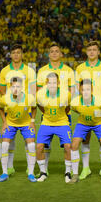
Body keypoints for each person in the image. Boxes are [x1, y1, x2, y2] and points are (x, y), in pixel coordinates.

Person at [74, 41, 101, 181]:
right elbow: (76, 89)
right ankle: (86, 168)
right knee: (85, 139)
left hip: (100, 109)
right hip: (85, 108)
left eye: (94, 50)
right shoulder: (79, 68)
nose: (92, 52)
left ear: (98, 52)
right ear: (86, 52)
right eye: (89, 49)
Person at [36, 43, 75, 175]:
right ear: (48, 54)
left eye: (56, 51)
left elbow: (71, 93)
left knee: (67, 145)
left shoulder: (68, 71)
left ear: (61, 54)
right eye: (51, 51)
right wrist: (46, 110)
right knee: (45, 144)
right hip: (47, 114)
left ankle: (69, 172)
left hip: (64, 115)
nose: (54, 53)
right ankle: (44, 169)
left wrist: (65, 110)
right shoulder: (42, 71)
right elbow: (38, 94)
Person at [0, 44, 36, 176]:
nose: (16, 55)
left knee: (29, 141)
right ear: (10, 55)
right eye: (13, 52)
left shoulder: (29, 71)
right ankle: (9, 167)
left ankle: (29, 168)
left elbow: (32, 91)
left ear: (22, 54)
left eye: (18, 52)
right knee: (9, 139)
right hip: (11, 108)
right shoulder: (4, 71)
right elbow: (2, 90)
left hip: (26, 108)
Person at [70, 79, 101, 185]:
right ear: (79, 90)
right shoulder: (74, 102)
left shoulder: (100, 101)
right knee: (74, 145)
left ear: (92, 89)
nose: (85, 92)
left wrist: (96, 115)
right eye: (83, 89)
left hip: (99, 123)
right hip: (83, 123)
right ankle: (75, 175)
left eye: (88, 89)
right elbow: (75, 110)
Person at [35, 72, 73, 183]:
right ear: (46, 83)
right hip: (46, 122)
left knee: (67, 146)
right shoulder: (40, 94)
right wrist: (47, 114)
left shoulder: (66, 94)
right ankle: (43, 172)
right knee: (39, 147)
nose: (52, 84)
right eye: (50, 82)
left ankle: (68, 172)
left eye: (54, 82)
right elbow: (39, 105)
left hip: (62, 122)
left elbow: (68, 108)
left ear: (58, 83)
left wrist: (60, 116)